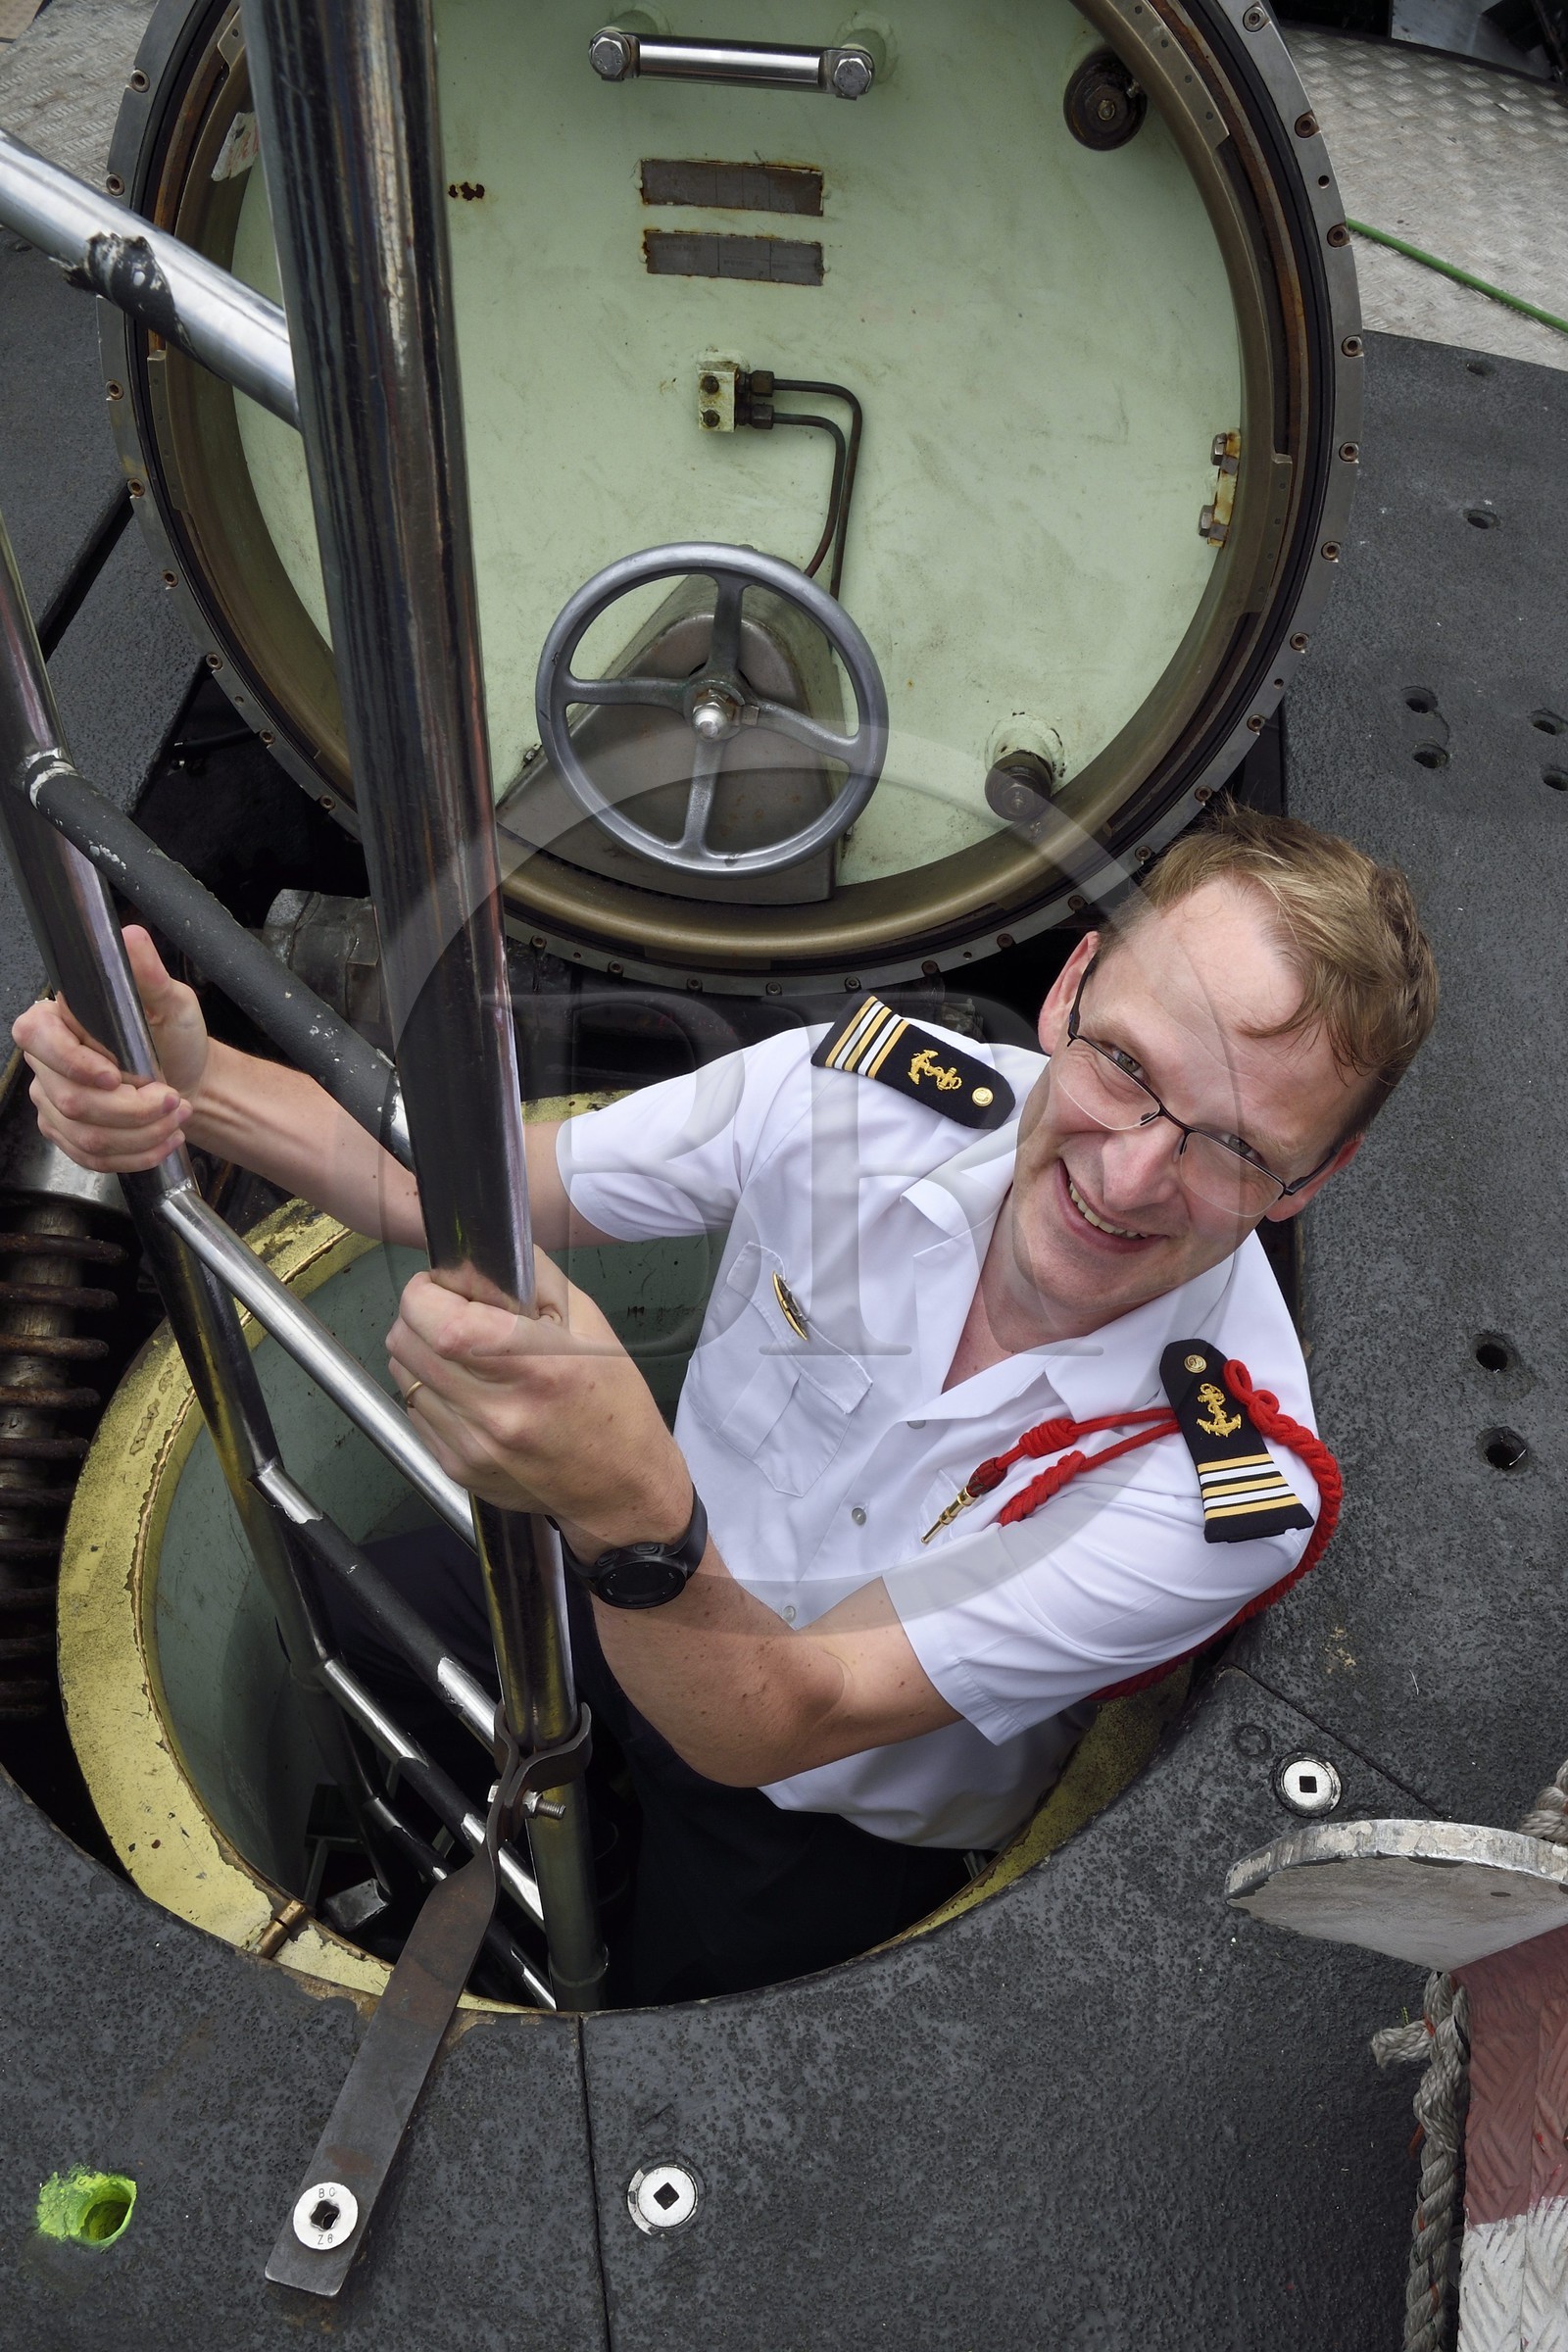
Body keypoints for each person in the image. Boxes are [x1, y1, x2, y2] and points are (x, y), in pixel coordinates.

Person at [14, 804, 1438, 2001]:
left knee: (668, 2021)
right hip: (617, 1586)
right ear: (1068, 992)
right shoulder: (863, 1097)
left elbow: (778, 1716)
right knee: (364, 1615)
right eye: (1126, 1067)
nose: (1128, 1176)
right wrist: (194, 1080)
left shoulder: (1220, 1483)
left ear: (1313, 1183)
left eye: (1235, 1150)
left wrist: (627, 1503)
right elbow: (451, 1189)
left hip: (818, 1798)